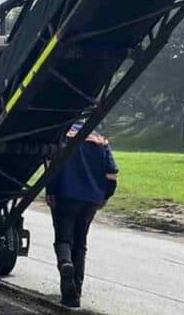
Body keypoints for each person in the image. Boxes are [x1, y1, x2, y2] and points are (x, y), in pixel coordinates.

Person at [46, 122, 119, 308]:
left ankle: (64, 264)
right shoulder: (100, 139)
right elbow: (112, 173)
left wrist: (50, 190)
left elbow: (51, 167)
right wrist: (105, 195)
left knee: (63, 239)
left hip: (64, 195)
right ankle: (75, 295)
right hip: (91, 200)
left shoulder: (62, 135)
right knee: (80, 244)